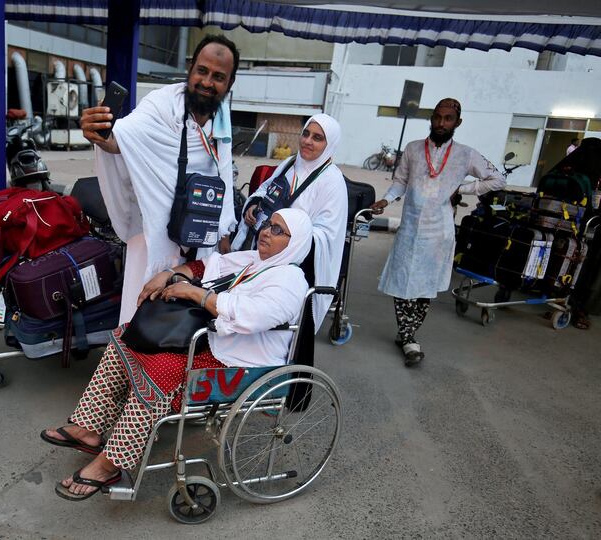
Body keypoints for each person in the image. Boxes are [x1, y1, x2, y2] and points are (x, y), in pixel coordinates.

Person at [40, 208, 313, 501]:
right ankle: (89, 427)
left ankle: (112, 463)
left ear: (295, 244)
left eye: (278, 231)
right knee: (127, 335)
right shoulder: (254, 260)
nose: (266, 232)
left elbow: (252, 316)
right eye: (268, 224)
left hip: (241, 361)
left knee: (160, 370)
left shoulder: (290, 280)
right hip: (213, 342)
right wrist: (170, 274)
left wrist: (195, 294)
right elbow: (210, 264)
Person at [80, 35, 240, 324]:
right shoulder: (162, 104)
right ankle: (132, 367)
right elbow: (123, 139)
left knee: (183, 319)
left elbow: (223, 178)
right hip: (155, 233)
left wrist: (223, 233)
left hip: (199, 238)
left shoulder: (222, 119)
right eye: (202, 71)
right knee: (141, 313)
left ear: (229, 84)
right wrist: (100, 132)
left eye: (218, 77)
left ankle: (168, 369)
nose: (207, 82)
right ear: (190, 69)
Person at [370, 98, 506, 367]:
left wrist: (462, 189)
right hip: (409, 228)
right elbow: (399, 182)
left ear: (458, 123)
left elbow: (498, 178)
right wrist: (386, 200)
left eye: (448, 119)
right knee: (402, 282)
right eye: (437, 117)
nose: (441, 123)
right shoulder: (412, 149)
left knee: (425, 287)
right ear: (431, 118)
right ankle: (409, 338)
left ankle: (407, 334)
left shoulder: (466, 154)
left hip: (439, 232)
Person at [231, 113, 348, 333]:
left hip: (297, 266)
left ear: (329, 143)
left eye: (317, 137)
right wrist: (254, 206)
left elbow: (326, 234)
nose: (307, 141)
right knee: (254, 310)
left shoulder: (332, 180)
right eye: (306, 134)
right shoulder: (290, 163)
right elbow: (265, 190)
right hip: (266, 253)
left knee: (280, 322)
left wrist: (291, 235)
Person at [549, 137, 601, 329]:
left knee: (564, 263)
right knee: (585, 269)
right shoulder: (577, 170)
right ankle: (575, 307)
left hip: (566, 226)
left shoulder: (570, 163)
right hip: (587, 229)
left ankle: (560, 300)